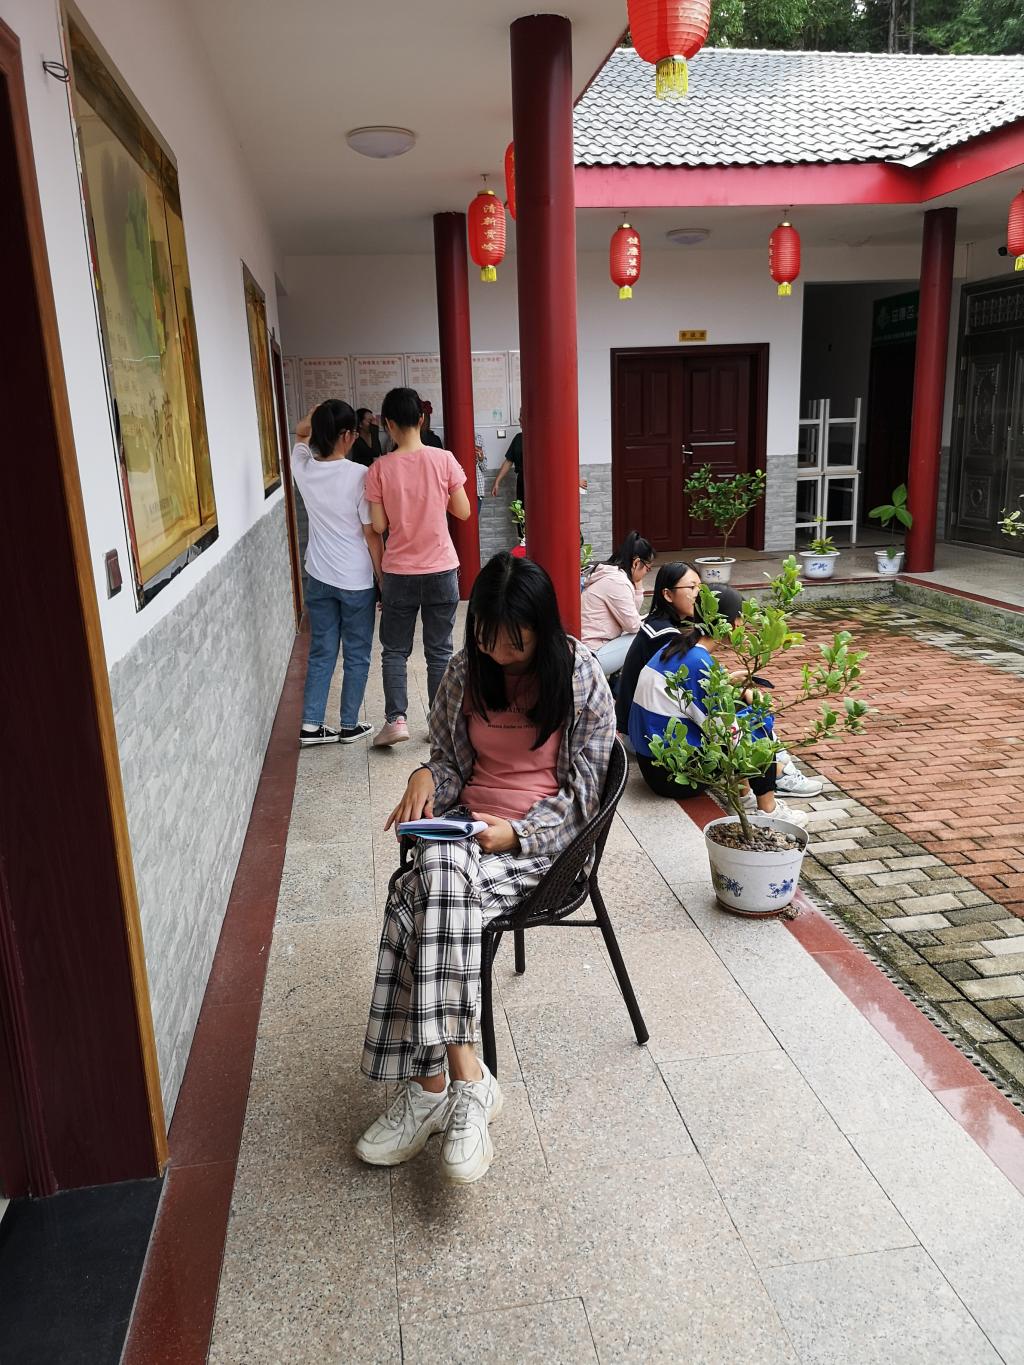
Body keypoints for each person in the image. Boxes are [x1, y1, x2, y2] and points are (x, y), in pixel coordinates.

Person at [355, 553, 616, 1184]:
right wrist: (426, 775)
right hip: (468, 835)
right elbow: (450, 762)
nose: (499, 657)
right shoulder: (465, 671)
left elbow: (586, 791)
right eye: (487, 641)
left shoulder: (578, 672)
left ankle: (431, 1086)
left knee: (418, 893)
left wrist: (518, 833)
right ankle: (468, 1081)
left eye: (515, 645)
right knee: (442, 874)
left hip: (540, 851)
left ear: (542, 631)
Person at [615, 564, 822, 798]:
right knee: (751, 723)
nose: (696, 593)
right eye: (692, 587)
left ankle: (755, 789)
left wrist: (727, 686)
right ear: (733, 623)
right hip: (673, 775)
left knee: (739, 711)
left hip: (653, 762)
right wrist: (758, 709)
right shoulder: (684, 649)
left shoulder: (676, 644)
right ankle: (771, 799)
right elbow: (725, 731)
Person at [364, 387, 472, 747]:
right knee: (439, 650)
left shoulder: (379, 469)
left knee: (395, 650)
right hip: (441, 568)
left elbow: (379, 525)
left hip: (399, 571)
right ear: (422, 419)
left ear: (389, 424)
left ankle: (396, 721)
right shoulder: (444, 459)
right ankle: (439, 725)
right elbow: (463, 511)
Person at [292, 402, 383, 747]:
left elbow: (300, 432)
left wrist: (315, 415)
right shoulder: (359, 474)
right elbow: (371, 533)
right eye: (354, 432)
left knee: (322, 650)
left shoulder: (303, 467)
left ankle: (311, 725)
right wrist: (383, 579)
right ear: (347, 435)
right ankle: (348, 725)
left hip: (318, 575)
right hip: (355, 578)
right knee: (357, 653)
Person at [615, 561, 702, 734]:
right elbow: (686, 685)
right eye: (692, 587)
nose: (698, 594)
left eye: (701, 587)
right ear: (668, 595)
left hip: (635, 721)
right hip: (641, 731)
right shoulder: (664, 636)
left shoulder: (658, 622)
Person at [580, 531, 654, 677]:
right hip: (591, 656)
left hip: (591, 649)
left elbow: (632, 613)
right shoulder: (617, 581)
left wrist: (637, 584)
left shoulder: (612, 575)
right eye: (648, 568)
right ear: (636, 563)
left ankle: (618, 680)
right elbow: (633, 625)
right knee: (647, 633)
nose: (646, 573)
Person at [491, 408, 524, 503]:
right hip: (522, 481)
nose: (519, 418)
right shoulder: (518, 438)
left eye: (522, 415)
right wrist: (497, 482)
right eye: (520, 415)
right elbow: (509, 461)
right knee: (521, 510)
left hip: (539, 483)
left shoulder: (541, 437)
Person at [474, 431, 487, 512]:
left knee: (475, 517)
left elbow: (484, 468)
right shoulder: (453, 436)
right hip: (459, 487)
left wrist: (481, 458)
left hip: (477, 489)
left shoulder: (477, 437)